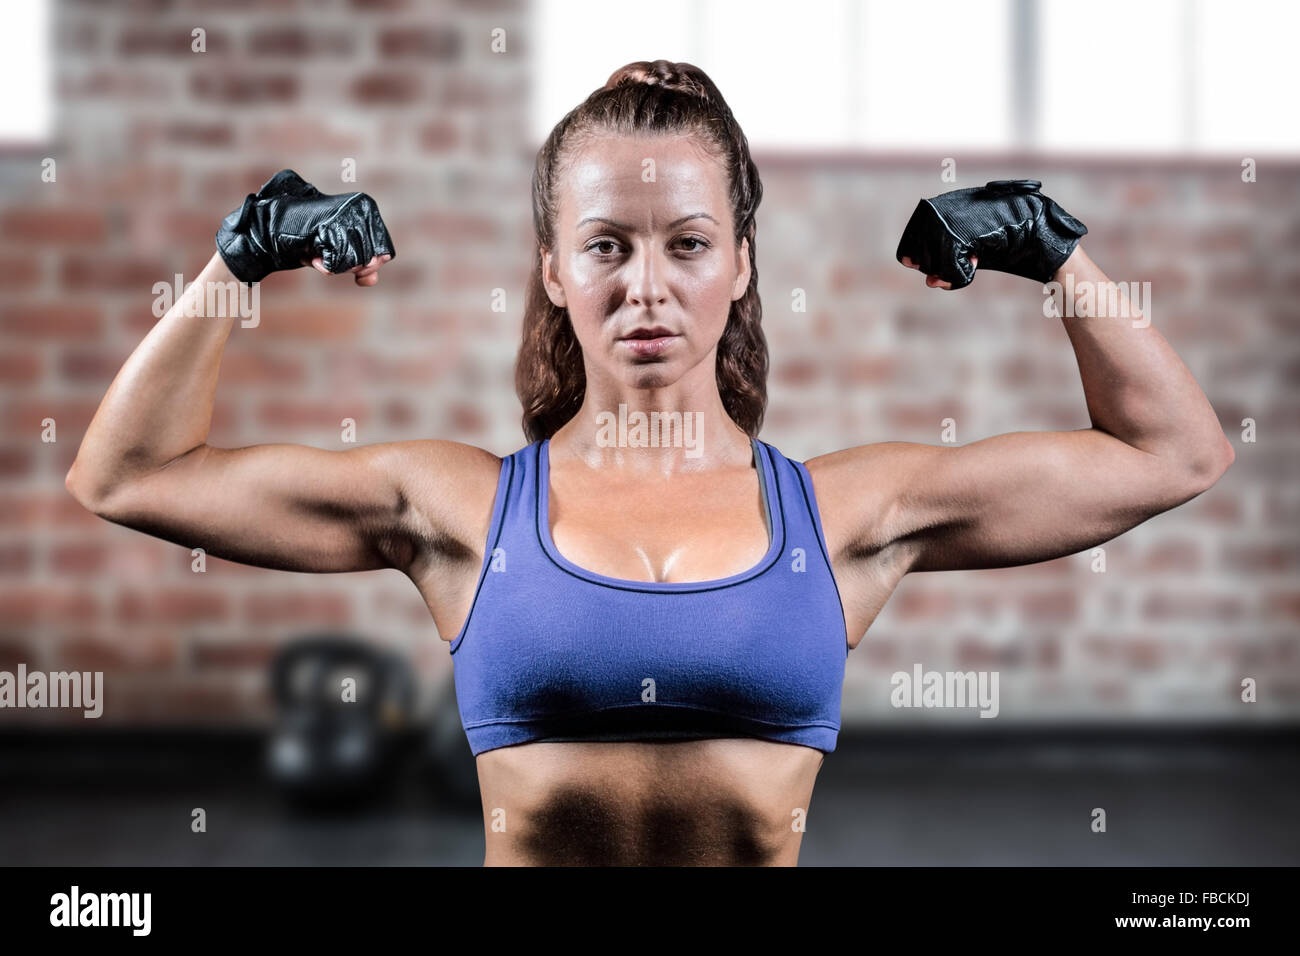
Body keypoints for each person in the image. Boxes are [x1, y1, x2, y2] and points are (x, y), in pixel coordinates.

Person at [65, 60, 1235, 866]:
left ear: (738, 263)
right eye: (605, 247)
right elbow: (126, 474)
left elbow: (1172, 451)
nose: (645, 286)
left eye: (686, 244)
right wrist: (241, 256)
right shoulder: (464, 508)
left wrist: (1054, 248)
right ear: (553, 269)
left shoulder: (842, 516)